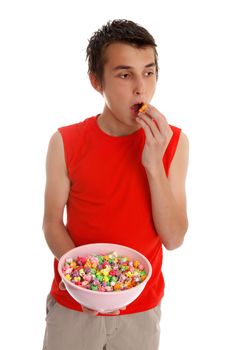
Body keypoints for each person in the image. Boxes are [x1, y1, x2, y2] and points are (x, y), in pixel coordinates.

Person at [42, 19, 189, 350]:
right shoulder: (65, 141)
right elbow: (52, 223)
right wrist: (86, 284)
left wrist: (153, 164)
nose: (141, 87)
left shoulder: (175, 143)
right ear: (97, 81)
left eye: (149, 73)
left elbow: (174, 237)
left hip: (140, 310)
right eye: (125, 75)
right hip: (73, 306)